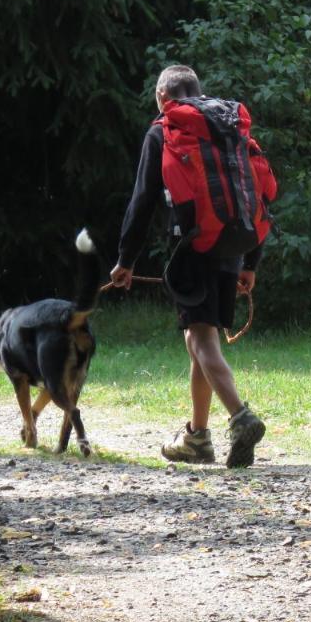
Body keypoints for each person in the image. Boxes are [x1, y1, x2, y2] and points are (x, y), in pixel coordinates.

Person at [110, 64, 268, 468]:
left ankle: (241, 418)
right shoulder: (228, 126)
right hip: (233, 244)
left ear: (163, 98)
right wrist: (251, 259)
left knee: (201, 341)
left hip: (192, 248)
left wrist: (125, 260)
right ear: (198, 90)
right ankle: (198, 438)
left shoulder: (164, 129)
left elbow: (143, 199)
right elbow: (256, 192)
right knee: (202, 340)